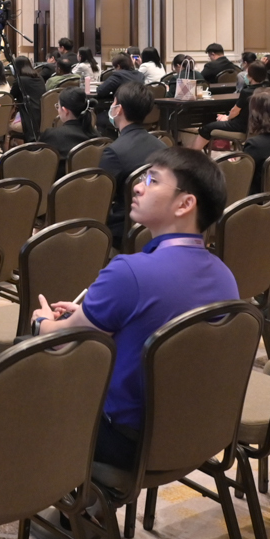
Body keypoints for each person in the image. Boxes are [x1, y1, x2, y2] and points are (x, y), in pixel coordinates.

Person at [30, 147, 238, 469]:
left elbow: (63, 340)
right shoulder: (226, 277)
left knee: (20, 365)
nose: (138, 187)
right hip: (195, 434)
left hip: (125, 441)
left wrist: (42, 322)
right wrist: (92, 315)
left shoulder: (129, 272)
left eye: (153, 180)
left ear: (185, 204)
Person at [98, 86, 166, 246]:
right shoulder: (162, 146)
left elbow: (102, 198)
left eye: (113, 102)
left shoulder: (114, 152)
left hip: (123, 228)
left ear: (118, 109)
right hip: (157, 223)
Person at [40, 84, 97, 164]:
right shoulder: (97, 137)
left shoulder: (52, 135)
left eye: (58, 106)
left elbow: (40, 162)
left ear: (65, 110)